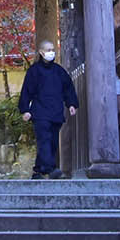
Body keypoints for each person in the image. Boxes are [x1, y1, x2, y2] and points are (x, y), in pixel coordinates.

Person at [19, 40, 78, 178]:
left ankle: (38, 170)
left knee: (52, 142)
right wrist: (25, 110)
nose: (51, 52)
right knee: (44, 139)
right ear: (41, 52)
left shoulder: (59, 71)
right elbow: (26, 91)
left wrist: (71, 104)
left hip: (56, 112)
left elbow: (68, 88)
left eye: (53, 49)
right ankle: (50, 169)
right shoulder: (34, 71)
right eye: (48, 49)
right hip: (40, 112)